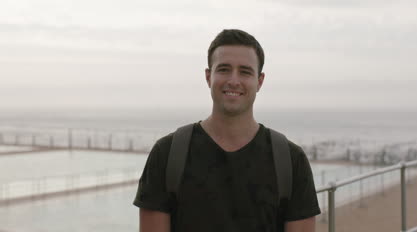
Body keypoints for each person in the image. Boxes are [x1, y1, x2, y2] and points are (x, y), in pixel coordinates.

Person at [134, 29, 321, 232]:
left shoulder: (291, 161)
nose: (234, 80)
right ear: (208, 77)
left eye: (245, 71)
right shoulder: (167, 154)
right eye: (224, 69)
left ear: (260, 81)